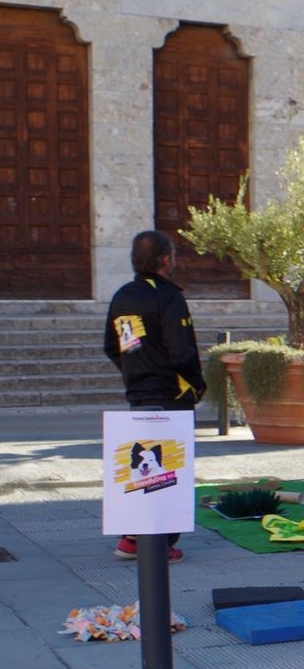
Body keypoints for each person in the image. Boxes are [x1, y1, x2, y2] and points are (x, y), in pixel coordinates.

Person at [104, 229, 205, 562]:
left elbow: (114, 346)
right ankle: (161, 543)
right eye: (172, 254)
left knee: (143, 466)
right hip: (171, 393)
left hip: (140, 393)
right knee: (168, 469)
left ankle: (132, 539)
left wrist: (135, 371)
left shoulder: (123, 296)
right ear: (165, 259)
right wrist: (197, 383)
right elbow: (181, 352)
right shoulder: (168, 296)